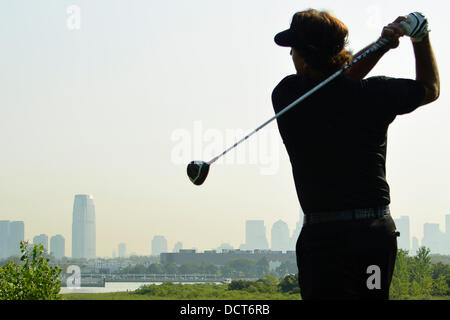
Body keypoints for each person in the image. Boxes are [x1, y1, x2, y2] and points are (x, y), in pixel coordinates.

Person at [271, 9, 439, 300]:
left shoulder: (286, 94)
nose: (291, 56)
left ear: (306, 57)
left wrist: (381, 45)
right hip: (371, 238)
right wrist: (420, 37)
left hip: (321, 241)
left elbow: (338, 81)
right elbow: (430, 88)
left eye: (294, 49)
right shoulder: (377, 93)